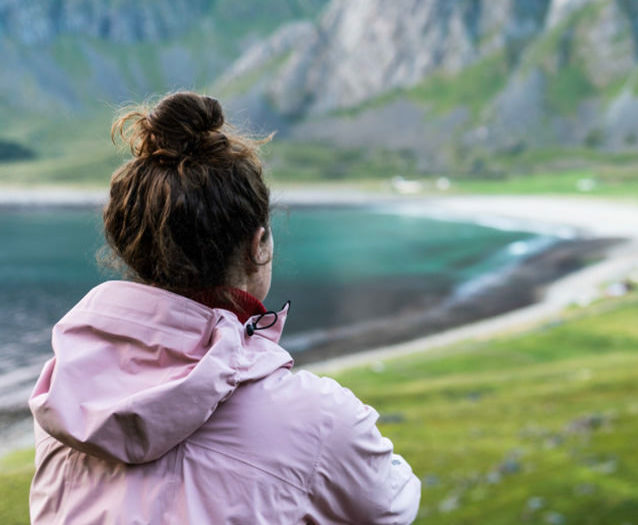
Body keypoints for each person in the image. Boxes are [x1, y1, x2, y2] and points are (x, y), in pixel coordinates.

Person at [26, 92, 420, 524]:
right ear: (258, 245)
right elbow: (393, 507)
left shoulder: (65, 396)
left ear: (132, 249)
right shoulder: (321, 421)